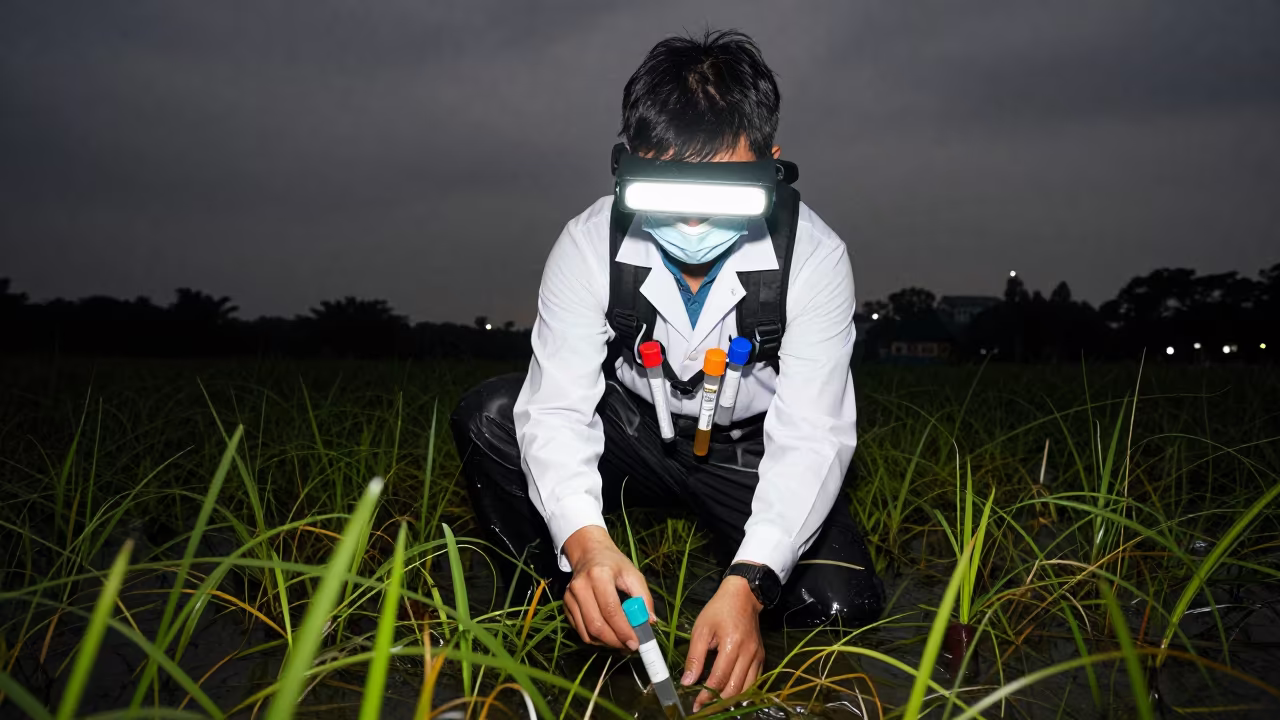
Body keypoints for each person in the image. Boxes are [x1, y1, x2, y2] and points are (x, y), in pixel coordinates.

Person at [451, 29, 883, 710]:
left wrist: (749, 583)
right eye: (665, 189)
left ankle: (741, 625)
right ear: (625, 166)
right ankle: (554, 603)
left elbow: (811, 435)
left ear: (772, 165)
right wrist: (587, 546)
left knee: (840, 603)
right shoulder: (590, 244)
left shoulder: (815, 258)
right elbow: (558, 408)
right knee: (494, 416)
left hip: (749, 452)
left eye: (725, 192)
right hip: (633, 435)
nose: (690, 219)